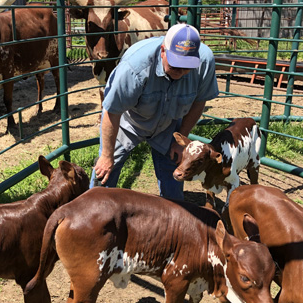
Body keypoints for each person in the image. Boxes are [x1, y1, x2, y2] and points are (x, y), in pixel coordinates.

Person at [91, 23, 219, 200]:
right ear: (163, 50)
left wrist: (180, 139)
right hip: (128, 122)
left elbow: (199, 101)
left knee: (174, 168)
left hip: (168, 125)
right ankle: (95, 211)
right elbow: (112, 111)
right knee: (104, 172)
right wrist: (106, 155)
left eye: (187, 66)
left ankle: (173, 214)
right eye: (175, 64)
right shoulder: (134, 67)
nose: (181, 72)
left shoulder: (204, 61)